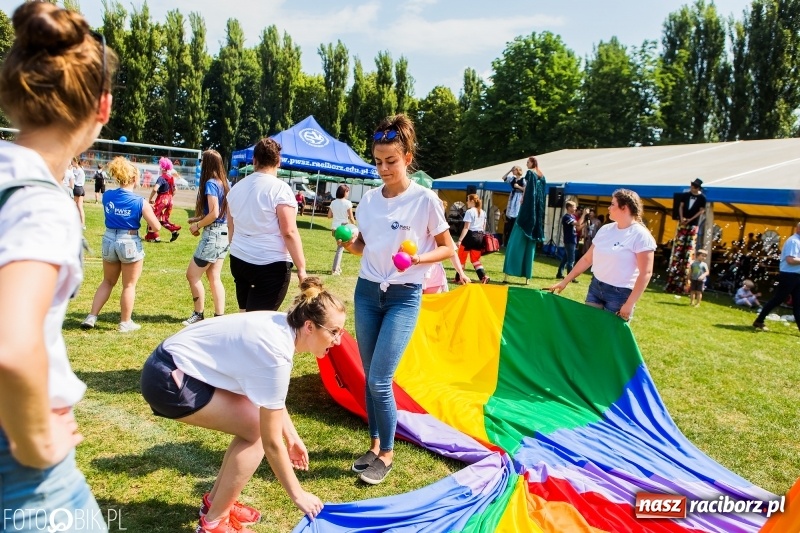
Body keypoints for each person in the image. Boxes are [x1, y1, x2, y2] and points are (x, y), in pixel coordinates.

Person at [0, 2, 117, 530]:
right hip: (24, 472)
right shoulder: (40, 202)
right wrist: (34, 438)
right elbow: (10, 344)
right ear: (103, 107)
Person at [140, 277, 342, 533]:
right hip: (167, 378)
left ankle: (215, 505)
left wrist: (291, 436)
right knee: (257, 433)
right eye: (334, 332)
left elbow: (271, 399)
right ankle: (214, 523)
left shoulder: (283, 325)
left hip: (175, 368)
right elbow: (270, 442)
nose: (338, 340)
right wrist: (298, 494)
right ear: (310, 326)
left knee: (253, 426)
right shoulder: (276, 353)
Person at [340, 114, 454, 485]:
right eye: (378, 161)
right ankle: (374, 444)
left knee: (380, 379)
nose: (384, 168)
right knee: (369, 376)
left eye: (391, 160)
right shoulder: (370, 200)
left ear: (407, 157)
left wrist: (417, 258)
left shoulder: (425, 200)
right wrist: (348, 243)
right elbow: (364, 246)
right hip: (367, 292)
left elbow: (448, 248)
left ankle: (387, 453)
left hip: (405, 296)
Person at [546, 189, 656, 321]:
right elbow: (587, 259)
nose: (609, 208)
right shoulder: (605, 229)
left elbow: (646, 273)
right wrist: (565, 281)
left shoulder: (641, 235)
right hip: (596, 288)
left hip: (620, 295)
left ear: (624, 208)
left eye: (612, 204)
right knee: (590, 331)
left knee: (610, 337)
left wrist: (629, 304)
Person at [227, 137, 307, 312]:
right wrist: (301, 269)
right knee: (259, 322)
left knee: (244, 313)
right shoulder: (280, 189)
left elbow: (231, 227)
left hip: (239, 259)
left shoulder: (236, 188)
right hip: (269, 264)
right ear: (279, 162)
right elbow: (289, 232)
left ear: (254, 161)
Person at [81, 157, 161, 332]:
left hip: (109, 239)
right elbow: (156, 227)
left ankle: (92, 316)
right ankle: (125, 322)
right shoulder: (140, 201)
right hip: (129, 242)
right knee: (129, 285)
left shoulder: (107, 195)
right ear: (133, 178)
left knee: (107, 281)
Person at [182, 150, 231, 326]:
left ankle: (198, 313)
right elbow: (221, 213)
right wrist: (197, 219)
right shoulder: (226, 183)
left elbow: (214, 213)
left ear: (207, 164)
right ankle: (219, 317)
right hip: (224, 234)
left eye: (203, 161)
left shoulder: (210, 183)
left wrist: (197, 225)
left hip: (213, 235)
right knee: (214, 277)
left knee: (192, 275)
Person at [503, 156, 547, 284]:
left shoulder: (530, 173)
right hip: (536, 217)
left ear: (532, 163)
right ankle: (527, 278)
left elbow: (529, 190)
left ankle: (508, 273)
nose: (526, 164)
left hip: (526, 213)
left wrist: (523, 198)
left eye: (528, 162)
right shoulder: (541, 176)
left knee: (513, 244)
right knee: (529, 248)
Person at [753, 222, 800, 331]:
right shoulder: (794, 241)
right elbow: (790, 260)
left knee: (798, 303)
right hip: (789, 275)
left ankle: (759, 320)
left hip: (796, 276)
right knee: (777, 300)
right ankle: (759, 320)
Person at [665, 178, 706, 294]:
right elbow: (680, 206)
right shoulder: (686, 195)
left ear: (698, 188)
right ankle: (673, 280)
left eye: (695, 187)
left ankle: (685, 283)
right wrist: (682, 218)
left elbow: (700, 211)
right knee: (679, 249)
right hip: (683, 222)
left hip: (693, 224)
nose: (693, 188)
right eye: (692, 186)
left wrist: (690, 220)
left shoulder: (702, 198)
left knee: (688, 251)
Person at [423, 200, 470, 294]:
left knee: (433, 306)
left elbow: (452, 253)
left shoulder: (443, 232)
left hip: (434, 273)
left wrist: (461, 273)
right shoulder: (416, 229)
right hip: (417, 272)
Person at [455, 193, 490, 283]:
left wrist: (459, 240)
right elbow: (483, 227)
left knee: (461, 257)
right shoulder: (483, 212)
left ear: (471, 201)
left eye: (467, 200)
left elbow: (466, 227)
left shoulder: (469, 212)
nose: (466, 202)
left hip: (470, 236)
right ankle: (483, 276)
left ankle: (459, 278)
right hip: (479, 237)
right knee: (475, 260)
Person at [145, 157, 180, 243]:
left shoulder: (161, 178)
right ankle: (173, 231)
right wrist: (169, 198)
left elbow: (155, 189)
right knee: (162, 218)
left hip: (162, 199)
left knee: (151, 216)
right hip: (170, 199)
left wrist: (150, 199)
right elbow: (175, 190)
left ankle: (153, 237)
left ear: (162, 167)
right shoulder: (171, 178)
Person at [328, 184, 356, 275]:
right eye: (347, 191)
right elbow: (351, 218)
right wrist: (354, 224)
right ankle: (335, 269)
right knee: (340, 249)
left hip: (334, 229)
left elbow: (329, 216)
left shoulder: (333, 202)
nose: (348, 193)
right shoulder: (348, 203)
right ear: (344, 192)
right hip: (343, 228)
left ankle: (338, 268)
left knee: (341, 248)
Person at [556, 201, 586, 281]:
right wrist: (584, 214)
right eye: (574, 207)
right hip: (569, 240)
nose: (575, 208)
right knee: (571, 260)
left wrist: (585, 224)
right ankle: (570, 278)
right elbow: (578, 224)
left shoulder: (572, 216)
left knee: (565, 259)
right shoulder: (567, 217)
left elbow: (578, 227)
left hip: (572, 240)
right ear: (569, 208)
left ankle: (559, 274)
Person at [502, 165, 525, 247]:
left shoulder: (523, 179)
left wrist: (518, 186)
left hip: (519, 196)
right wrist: (509, 170)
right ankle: (507, 241)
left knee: (516, 214)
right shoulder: (512, 179)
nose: (513, 171)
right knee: (510, 216)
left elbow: (526, 189)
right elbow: (503, 177)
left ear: (518, 170)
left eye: (514, 170)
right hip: (513, 196)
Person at [72, 158, 87, 229]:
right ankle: (82, 224)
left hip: (77, 188)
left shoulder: (77, 170)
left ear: (75, 162)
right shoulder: (81, 170)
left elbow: (72, 179)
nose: (72, 163)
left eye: (72, 162)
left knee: (73, 205)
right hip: (81, 188)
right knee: (80, 207)